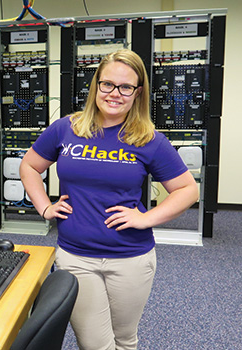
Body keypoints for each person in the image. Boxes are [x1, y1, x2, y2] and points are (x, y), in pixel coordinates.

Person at [19, 49, 198, 350]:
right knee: (95, 345)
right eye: (108, 84)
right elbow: (29, 166)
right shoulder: (67, 128)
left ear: (138, 92)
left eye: (126, 87)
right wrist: (45, 207)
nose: (115, 93)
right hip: (76, 256)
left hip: (131, 258)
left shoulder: (148, 138)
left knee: (125, 340)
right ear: (96, 85)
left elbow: (187, 189)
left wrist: (146, 218)